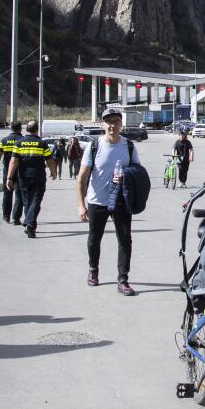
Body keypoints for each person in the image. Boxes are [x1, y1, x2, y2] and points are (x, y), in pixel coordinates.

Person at [75, 108, 140, 296]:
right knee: (94, 239)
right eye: (108, 121)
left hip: (121, 201)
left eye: (116, 121)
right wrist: (81, 205)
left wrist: (126, 175)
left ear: (121, 124)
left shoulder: (128, 146)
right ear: (102, 124)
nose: (112, 125)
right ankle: (93, 270)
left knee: (125, 240)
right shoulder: (94, 146)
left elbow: (138, 171)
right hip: (98, 201)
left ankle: (123, 280)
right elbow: (82, 177)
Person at [6, 121, 55, 239]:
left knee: (27, 201)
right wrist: (53, 172)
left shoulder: (19, 143)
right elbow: (49, 160)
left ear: (26, 130)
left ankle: (30, 226)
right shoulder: (42, 143)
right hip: (38, 176)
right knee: (36, 200)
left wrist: (9, 177)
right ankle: (30, 224)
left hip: (23, 176)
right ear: (37, 129)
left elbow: (13, 162)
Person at [0, 122, 24, 224]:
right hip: (20, 171)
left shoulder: (4, 140)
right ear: (20, 129)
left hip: (7, 171)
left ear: (11, 128)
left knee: (7, 194)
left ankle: (6, 216)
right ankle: (16, 218)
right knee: (19, 195)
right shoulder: (23, 141)